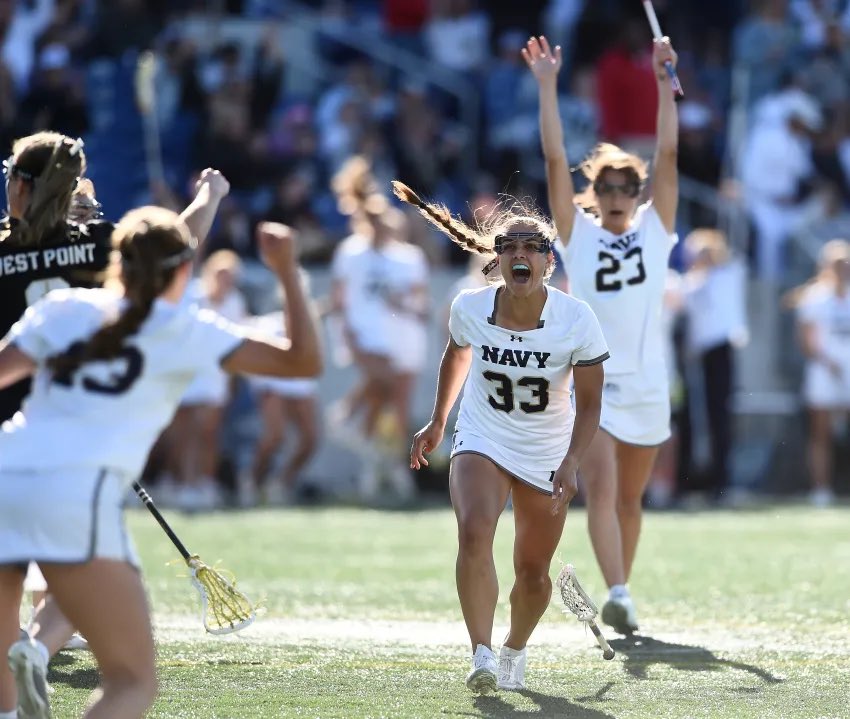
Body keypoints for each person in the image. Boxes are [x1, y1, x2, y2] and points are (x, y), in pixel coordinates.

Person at [0, 212, 321, 719]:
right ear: (183, 269)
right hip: (75, 495)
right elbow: (302, 362)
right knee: (131, 683)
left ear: (117, 262)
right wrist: (286, 270)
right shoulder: (184, 329)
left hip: (5, 472)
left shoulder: (63, 308)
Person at [0, 131, 231, 713]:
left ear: (23, 187)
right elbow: (179, 242)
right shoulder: (99, 244)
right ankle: (40, 645)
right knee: (89, 572)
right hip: (80, 428)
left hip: (10, 439)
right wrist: (209, 194)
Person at [398, 180, 607, 693]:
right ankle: (482, 653)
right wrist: (439, 420)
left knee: (533, 571)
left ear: (547, 262)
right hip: (483, 435)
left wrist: (573, 461)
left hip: (546, 448)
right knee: (474, 530)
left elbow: (592, 403)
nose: (519, 254)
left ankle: (514, 648)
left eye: (531, 247)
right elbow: (458, 353)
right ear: (497, 259)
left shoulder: (576, 319)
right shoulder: (470, 306)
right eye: (508, 246)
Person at [524, 34, 679, 634]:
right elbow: (553, 159)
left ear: (638, 196)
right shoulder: (579, 235)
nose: (615, 196)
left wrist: (665, 81)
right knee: (604, 488)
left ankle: (623, 591)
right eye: (605, 187)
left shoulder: (656, 231)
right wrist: (547, 86)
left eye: (625, 187)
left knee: (631, 499)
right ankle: (618, 590)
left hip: (648, 382)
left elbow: (666, 154)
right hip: (596, 382)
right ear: (594, 195)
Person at [163, 250, 247, 511]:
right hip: (186, 372)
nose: (226, 281)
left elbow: (237, 344)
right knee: (183, 432)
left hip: (214, 375)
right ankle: (180, 482)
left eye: (230, 276)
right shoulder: (192, 295)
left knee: (208, 431)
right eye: (222, 275)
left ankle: (203, 483)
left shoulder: (235, 301)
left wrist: (231, 380)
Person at [681, 229, 748, 503]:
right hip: (697, 356)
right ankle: (695, 479)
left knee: (720, 416)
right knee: (696, 419)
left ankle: (722, 480)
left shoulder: (729, 275)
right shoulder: (689, 283)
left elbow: (740, 249)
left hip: (721, 351)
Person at [791, 238, 850, 507]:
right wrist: (828, 362)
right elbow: (806, 340)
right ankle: (821, 488)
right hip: (824, 372)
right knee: (821, 433)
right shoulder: (815, 298)